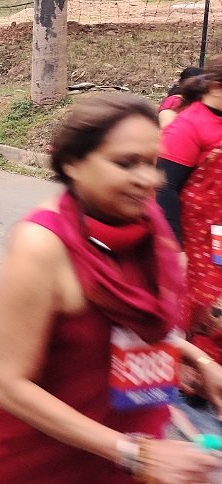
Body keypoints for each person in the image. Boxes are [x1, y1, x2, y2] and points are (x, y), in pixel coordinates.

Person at [0, 93, 222, 483]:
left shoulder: (151, 228)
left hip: (138, 456)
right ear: (73, 162)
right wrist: (131, 454)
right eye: (126, 164)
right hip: (49, 463)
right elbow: (9, 385)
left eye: (152, 163)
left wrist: (198, 359)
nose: (148, 180)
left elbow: (130, 326)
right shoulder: (41, 245)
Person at [156, 59, 222, 406]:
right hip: (193, 238)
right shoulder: (188, 126)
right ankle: (190, 383)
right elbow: (164, 190)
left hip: (219, 236)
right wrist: (176, 249)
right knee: (198, 307)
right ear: (215, 87)